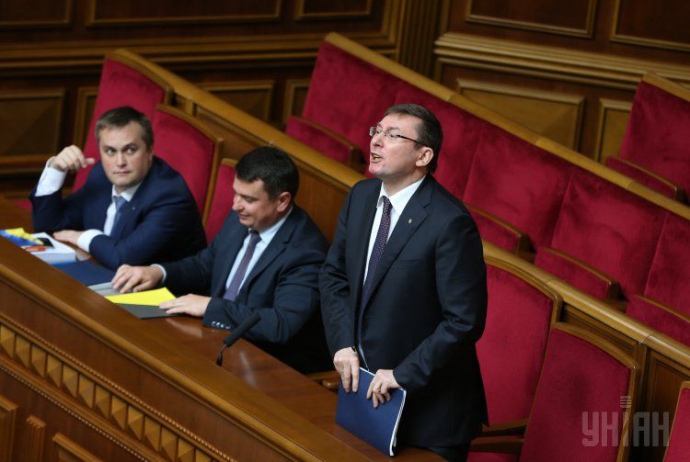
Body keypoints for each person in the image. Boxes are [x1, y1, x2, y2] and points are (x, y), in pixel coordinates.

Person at [319, 104, 488, 461]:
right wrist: (342, 343)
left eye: (393, 135)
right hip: (364, 395)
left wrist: (402, 374)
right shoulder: (361, 197)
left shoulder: (450, 223)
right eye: (377, 131)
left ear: (423, 156)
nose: (377, 141)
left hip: (428, 413)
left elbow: (463, 321)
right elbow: (334, 276)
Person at [111, 146, 332, 374]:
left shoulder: (306, 252)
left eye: (248, 199)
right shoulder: (242, 218)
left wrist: (210, 307)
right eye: (236, 193)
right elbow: (205, 265)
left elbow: (280, 324)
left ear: (282, 201)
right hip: (212, 339)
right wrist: (158, 272)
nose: (235, 205)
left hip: (265, 365)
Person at [30, 105, 206, 270]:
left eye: (130, 150)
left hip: (159, 291)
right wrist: (56, 169)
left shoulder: (170, 196)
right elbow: (49, 226)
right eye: (110, 151)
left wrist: (83, 236)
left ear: (149, 151)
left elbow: (123, 258)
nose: (120, 162)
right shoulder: (101, 175)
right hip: (104, 276)